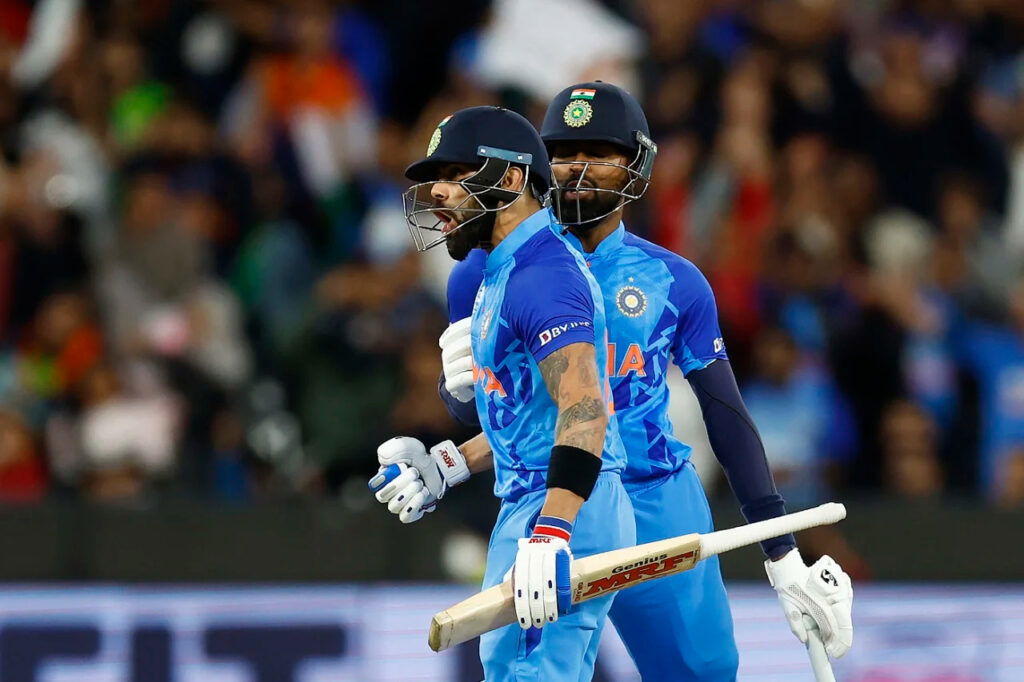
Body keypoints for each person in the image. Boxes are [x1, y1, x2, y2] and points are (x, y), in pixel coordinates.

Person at [410, 84, 854, 680]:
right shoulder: (481, 271)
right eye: (563, 153)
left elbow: (725, 414)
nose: (576, 169)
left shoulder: (674, 281)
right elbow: (499, 413)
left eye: (599, 152)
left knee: (703, 674)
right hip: (559, 494)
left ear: (637, 164)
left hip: (656, 498)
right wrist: (456, 393)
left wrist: (783, 555)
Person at [369, 105, 635, 681]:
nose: (437, 191)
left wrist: (553, 530)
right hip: (542, 500)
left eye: (456, 172)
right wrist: (452, 463)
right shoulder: (505, 271)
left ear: (511, 179)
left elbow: (586, 410)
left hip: (558, 507)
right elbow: (536, 420)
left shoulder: (542, 274)